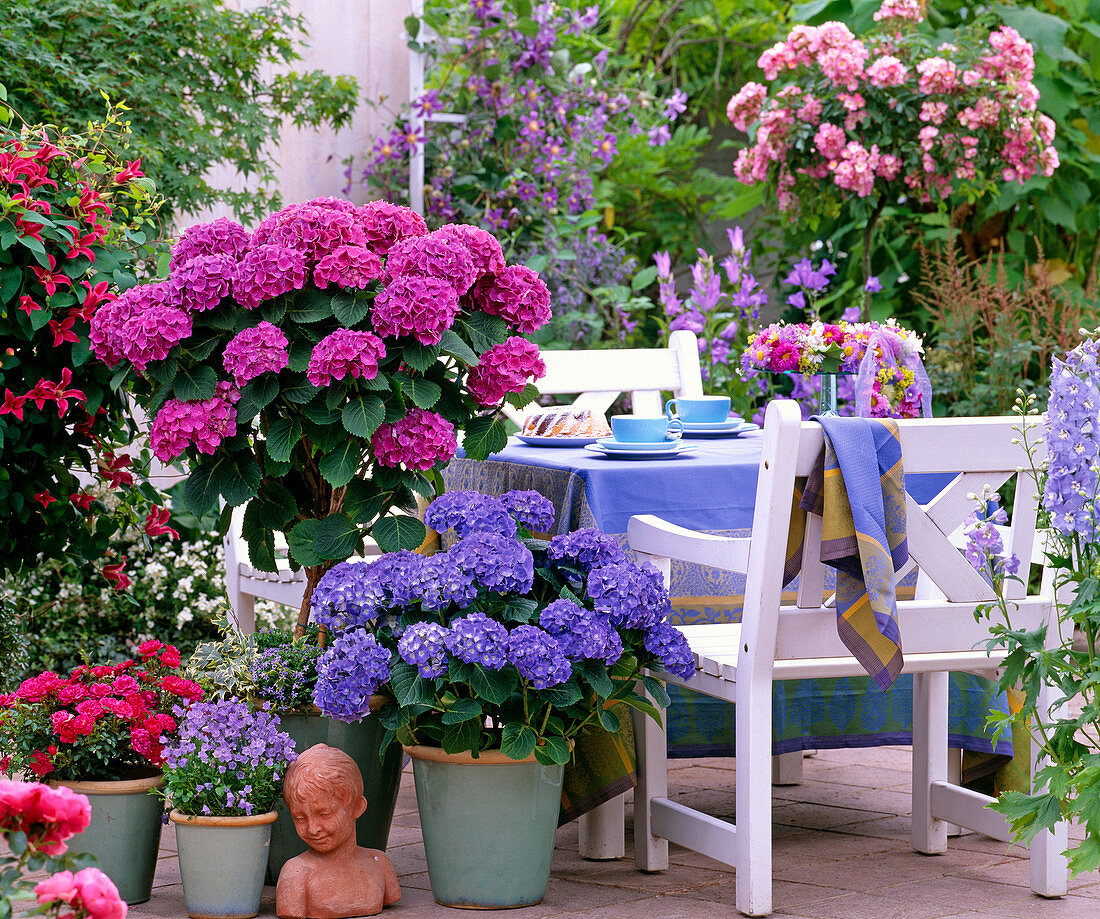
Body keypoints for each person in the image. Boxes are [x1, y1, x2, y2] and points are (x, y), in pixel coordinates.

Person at [275, 744, 400, 918]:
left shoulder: (380, 864)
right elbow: (290, 909)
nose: (313, 829)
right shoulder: (297, 874)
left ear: (357, 807)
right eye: (300, 818)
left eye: (324, 814)